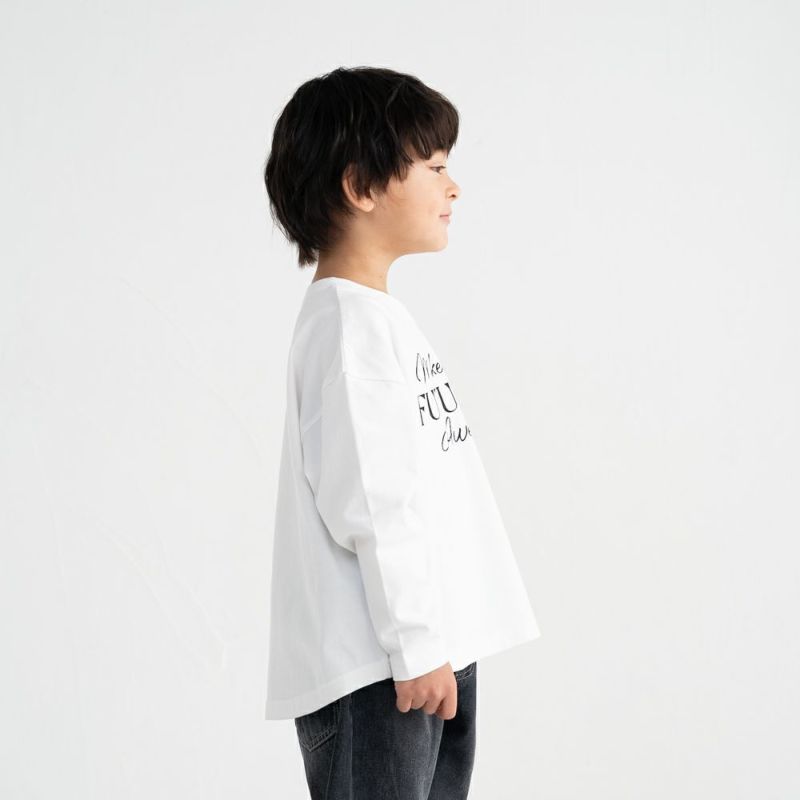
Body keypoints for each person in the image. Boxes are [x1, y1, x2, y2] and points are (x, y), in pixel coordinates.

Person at [262, 66, 541, 799]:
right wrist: (416, 644)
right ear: (361, 187)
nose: (455, 187)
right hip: (385, 669)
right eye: (436, 167)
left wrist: (430, 642)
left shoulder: (373, 318)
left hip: (421, 653)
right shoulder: (348, 327)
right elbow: (375, 499)